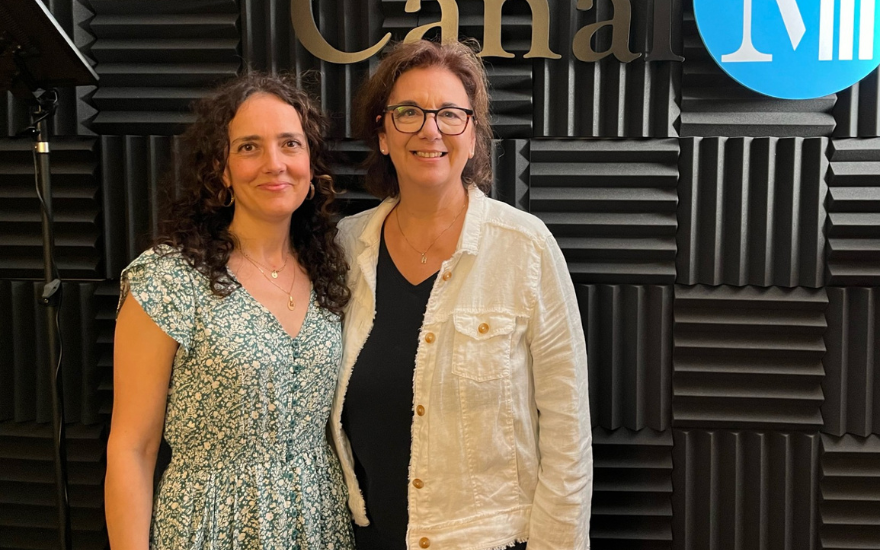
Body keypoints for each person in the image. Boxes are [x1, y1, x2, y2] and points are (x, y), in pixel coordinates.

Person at [331, 39, 592, 550]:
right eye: (408, 112)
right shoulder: (344, 248)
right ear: (382, 134)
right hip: (366, 536)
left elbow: (567, 429)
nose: (430, 129)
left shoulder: (525, 247)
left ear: (473, 137)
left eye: (450, 114)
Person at [105, 73, 355, 549]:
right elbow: (132, 450)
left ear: (311, 163)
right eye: (249, 148)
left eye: (290, 144)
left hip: (319, 520)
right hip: (211, 524)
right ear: (221, 169)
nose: (274, 164)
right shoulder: (169, 279)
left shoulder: (331, 271)